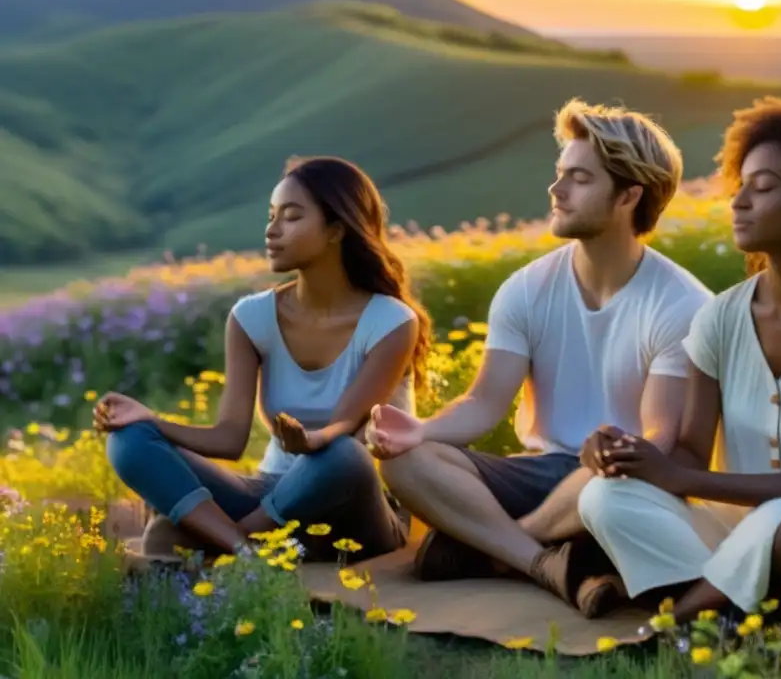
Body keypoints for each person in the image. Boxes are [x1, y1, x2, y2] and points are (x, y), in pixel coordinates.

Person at [365, 98, 713, 615]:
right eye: (559, 174)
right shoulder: (527, 289)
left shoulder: (683, 304)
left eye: (579, 178)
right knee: (406, 461)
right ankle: (546, 562)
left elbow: (657, 440)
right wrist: (419, 433)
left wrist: (610, 457)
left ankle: (496, 549)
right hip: (538, 472)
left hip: (616, 484)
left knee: (614, 485)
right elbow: (484, 403)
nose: (556, 189)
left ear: (629, 195)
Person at [577, 97, 781, 624]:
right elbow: (690, 452)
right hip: (733, 531)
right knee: (604, 498)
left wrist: (674, 477)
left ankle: (678, 617)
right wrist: (626, 454)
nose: (738, 202)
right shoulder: (719, 319)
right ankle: (743, 597)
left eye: (763, 188)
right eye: (740, 186)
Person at [94, 156, 432, 561]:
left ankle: (224, 539)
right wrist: (150, 421)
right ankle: (249, 552)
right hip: (273, 495)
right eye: (271, 216)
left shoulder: (392, 321)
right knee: (128, 441)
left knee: (343, 454)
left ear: (336, 230)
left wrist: (313, 441)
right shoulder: (251, 317)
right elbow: (229, 439)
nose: (271, 231)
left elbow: (346, 426)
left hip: (358, 506)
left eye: (291, 217)